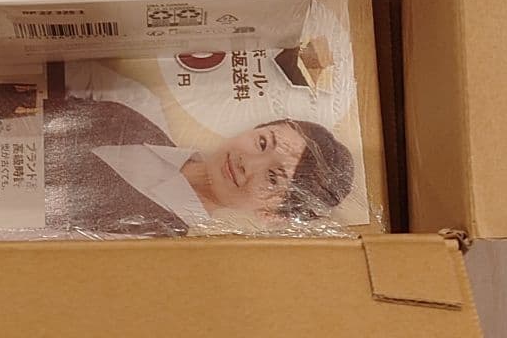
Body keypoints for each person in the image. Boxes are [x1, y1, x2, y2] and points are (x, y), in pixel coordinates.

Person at [44, 61, 354, 236]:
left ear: (271, 215)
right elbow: (43, 68)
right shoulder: (139, 104)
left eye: (273, 177)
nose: (248, 162)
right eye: (262, 142)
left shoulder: (153, 246)